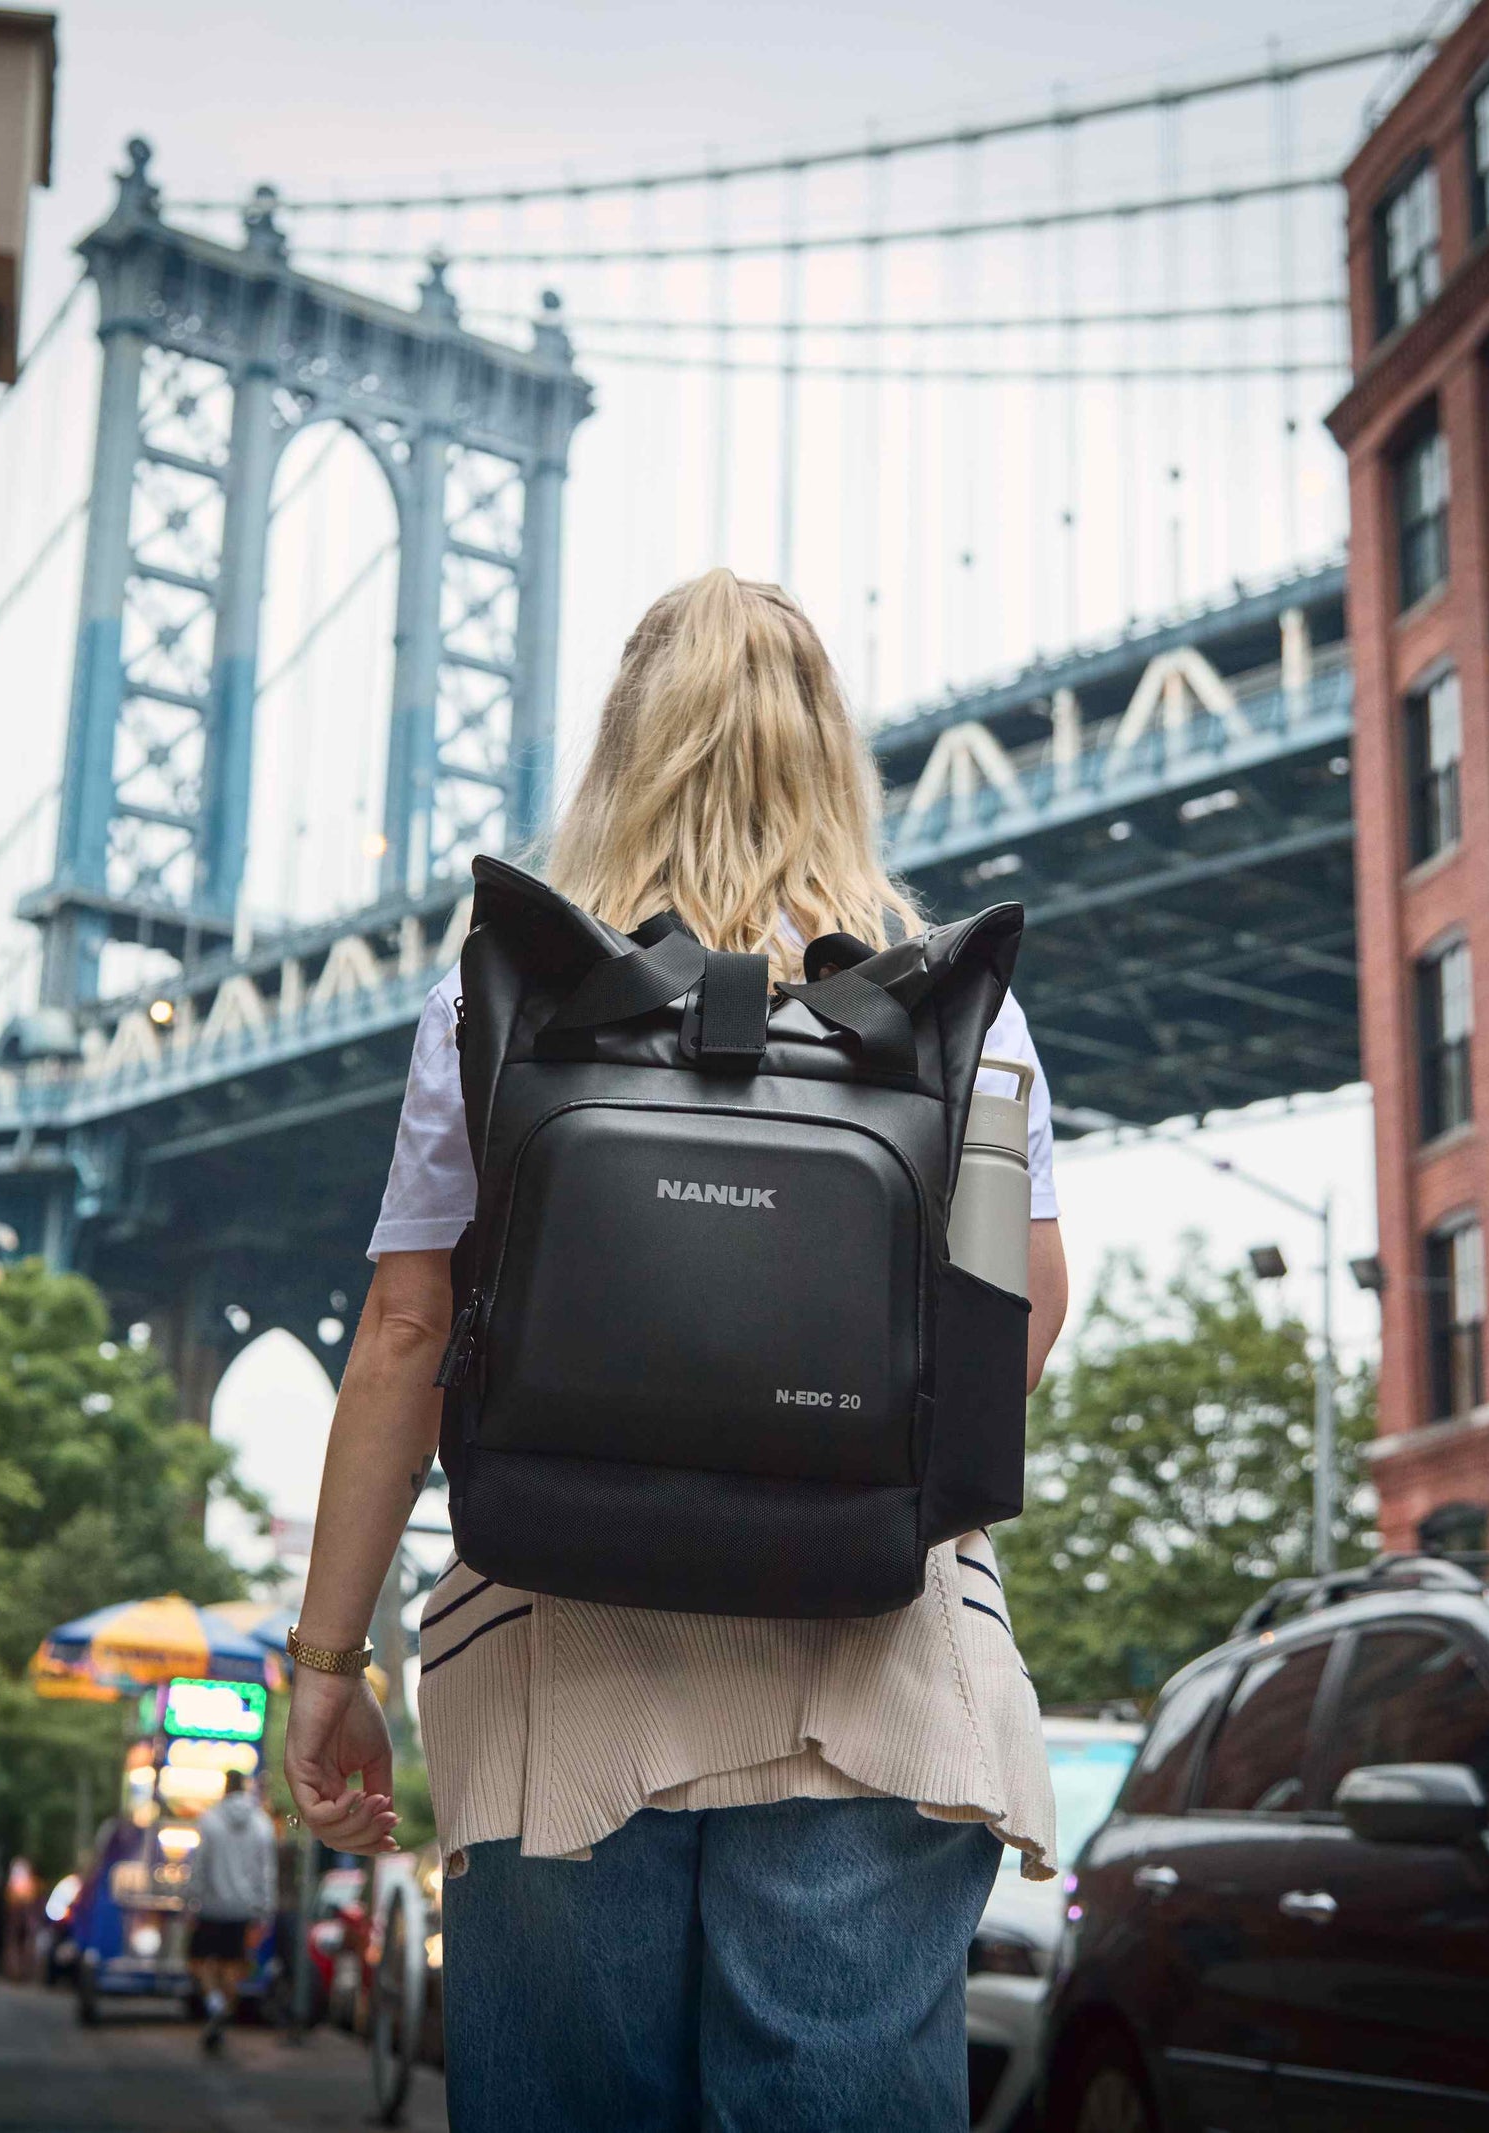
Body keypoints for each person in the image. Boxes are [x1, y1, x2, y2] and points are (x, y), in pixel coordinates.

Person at [285, 569, 1069, 2132]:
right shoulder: (955, 1011)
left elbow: (406, 1333)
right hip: (875, 1662)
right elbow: (1024, 1316)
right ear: (832, 754)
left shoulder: (496, 1000)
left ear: (622, 747)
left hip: (560, 1657)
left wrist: (326, 1662)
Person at [187, 1768, 276, 2053]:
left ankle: (214, 2005)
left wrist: (192, 1900)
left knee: (200, 1963)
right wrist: (265, 1910)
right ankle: (223, 2010)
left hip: (211, 1906)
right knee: (233, 1966)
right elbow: (266, 1871)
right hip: (244, 1909)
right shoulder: (262, 1824)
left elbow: (199, 1864)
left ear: (225, 1788)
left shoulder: (209, 1820)